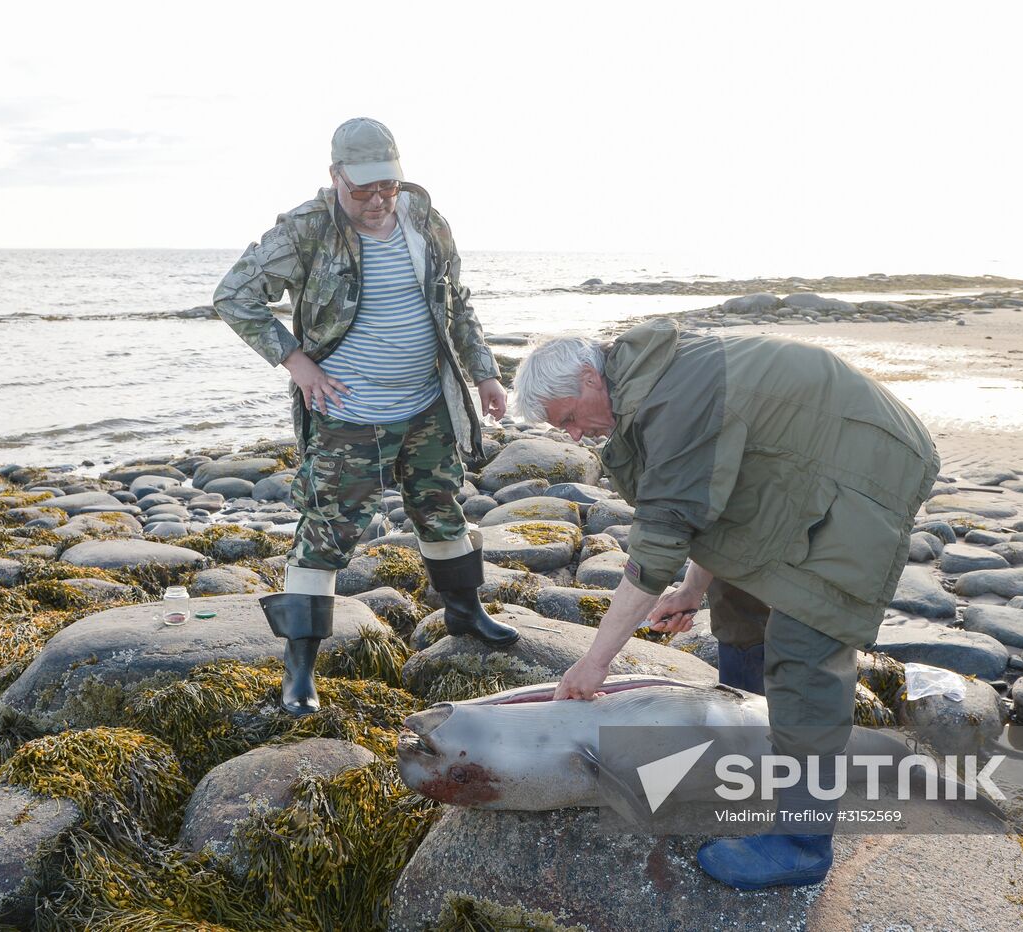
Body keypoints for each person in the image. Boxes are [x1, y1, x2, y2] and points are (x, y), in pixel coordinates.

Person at [512, 318, 940, 889]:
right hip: (791, 465)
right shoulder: (642, 384)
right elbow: (715, 499)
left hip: (864, 464)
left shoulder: (673, 396)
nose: (572, 436)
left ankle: (801, 842)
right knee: (736, 602)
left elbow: (661, 537)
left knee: (803, 648)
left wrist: (595, 662)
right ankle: (761, 757)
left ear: (590, 377)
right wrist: (693, 591)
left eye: (567, 418)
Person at [214, 117, 517, 718]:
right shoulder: (305, 230)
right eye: (364, 191)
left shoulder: (427, 220)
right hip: (348, 413)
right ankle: (300, 667)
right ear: (336, 178)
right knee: (326, 531)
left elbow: (456, 303)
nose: (379, 201)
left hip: (426, 402)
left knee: (441, 504)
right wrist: (297, 363)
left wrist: (483, 372)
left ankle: (464, 612)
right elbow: (234, 296)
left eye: (389, 187)